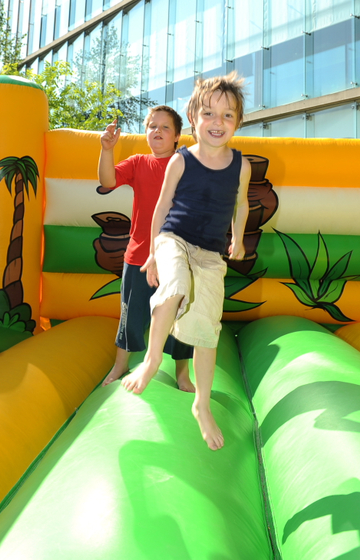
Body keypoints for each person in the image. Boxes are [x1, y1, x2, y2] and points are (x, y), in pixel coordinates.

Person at [124, 72, 251, 451]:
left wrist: (239, 238)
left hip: (210, 253)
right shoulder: (181, 161)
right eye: (209, 113)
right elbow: (162, 205)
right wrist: (152, 253)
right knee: (176, 286)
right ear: (193, 118)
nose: (217, 122)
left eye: (227, 115)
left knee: (207, 328)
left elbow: (242, 204)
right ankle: (150, 360)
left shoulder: (241, 166)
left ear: (238, 122)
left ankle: (202, 404)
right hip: (173, 239)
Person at [98, 106, 195, 392]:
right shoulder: (139, 162)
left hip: (177, 257)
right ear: (145, 133)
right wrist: (106, 149)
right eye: (152, 126)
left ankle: (182, 374)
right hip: (140, 255)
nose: (158, 131)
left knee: (180, 316)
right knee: (130, 314)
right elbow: (107, 181)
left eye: (165, 127)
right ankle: (120, 365)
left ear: (177, 136)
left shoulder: (187, 164)